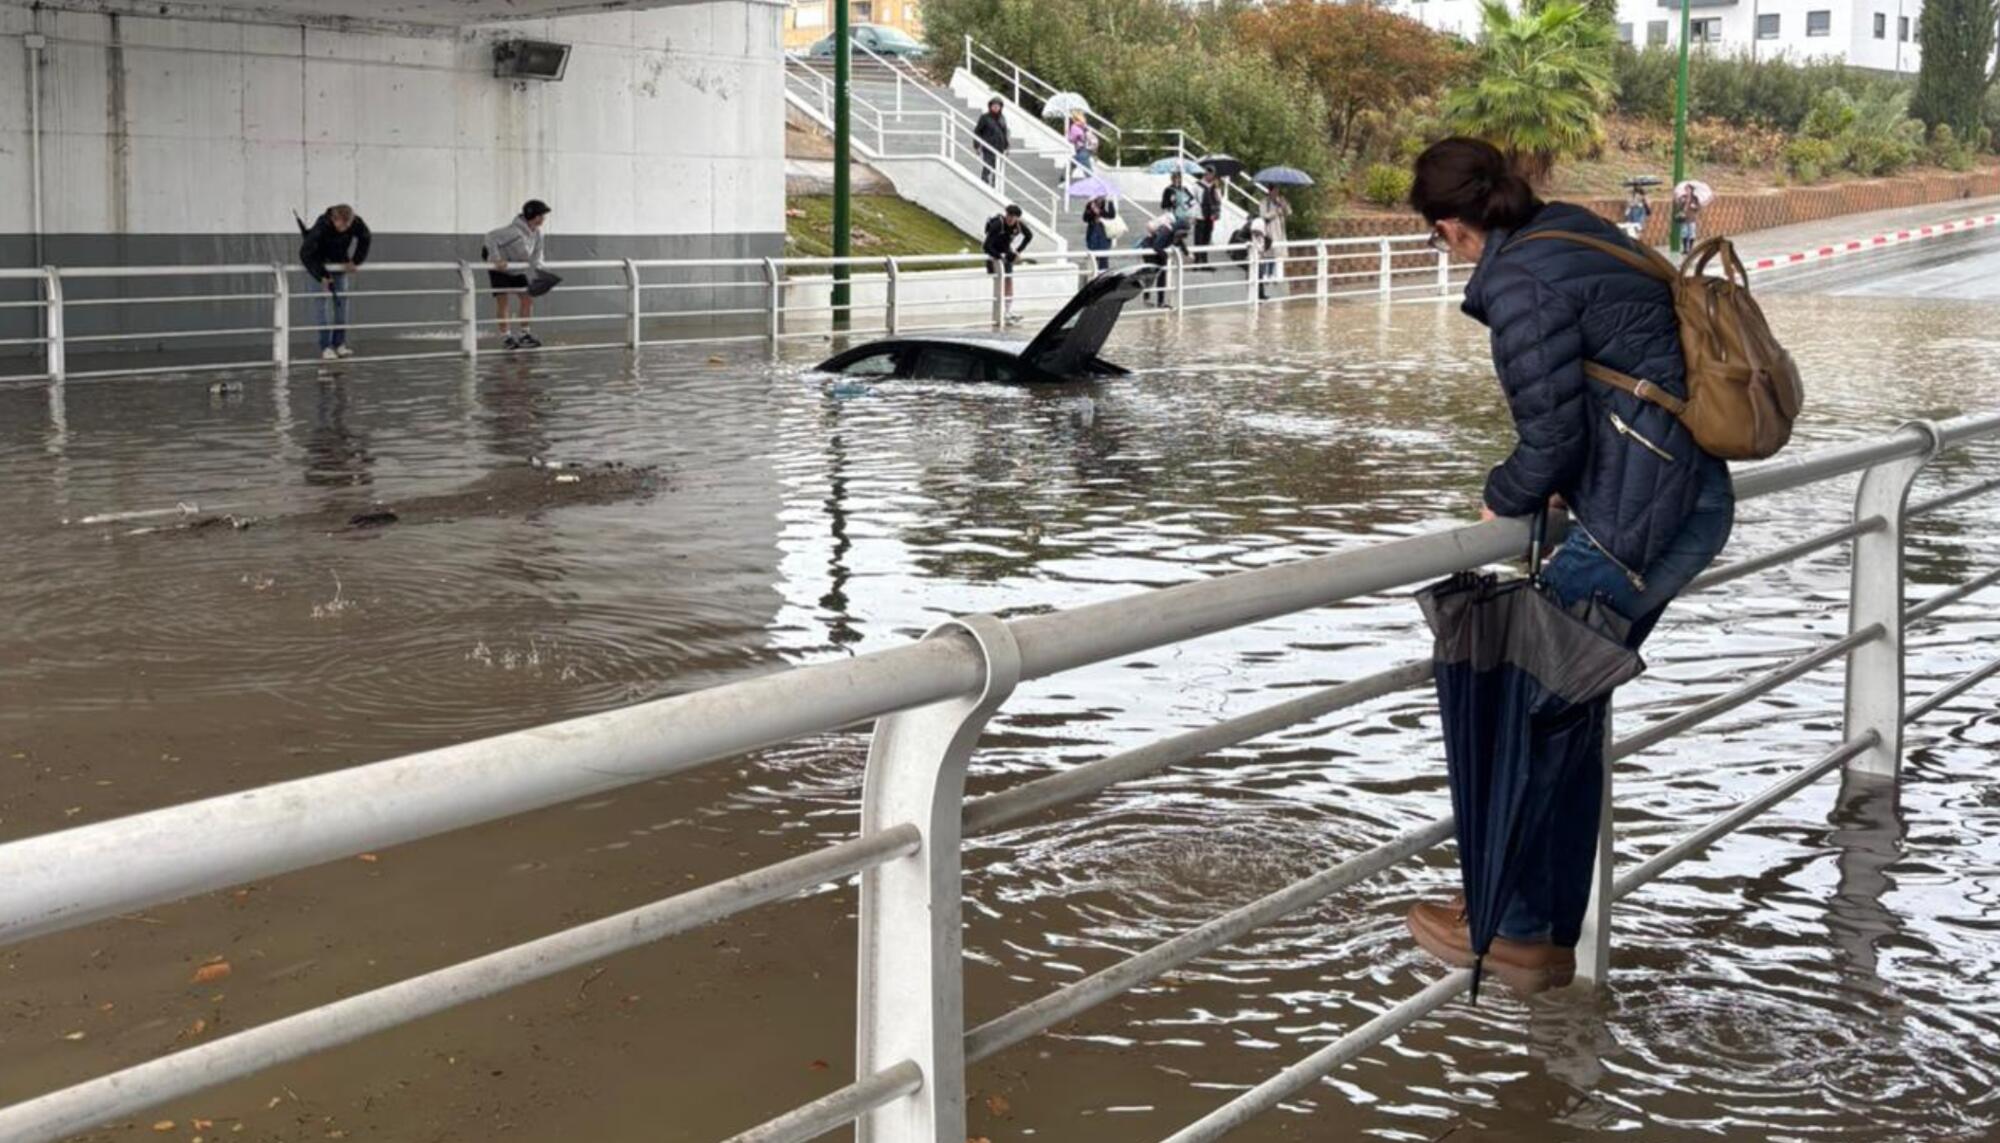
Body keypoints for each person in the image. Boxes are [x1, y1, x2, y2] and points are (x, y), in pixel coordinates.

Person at [1403, 137, 1735, 994]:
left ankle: (1513, 927)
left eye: (1438, 236)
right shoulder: (1567, 231)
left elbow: (1551, 433)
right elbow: (1609, 379)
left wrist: (1504, 496)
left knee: (1523, 708)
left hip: (1635, 519)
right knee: (1567, 717)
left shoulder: (1519, 280)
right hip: (1680, 495)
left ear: (1451, 226)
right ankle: (1546, 928)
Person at [298, 204, 371, 360]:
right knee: (321, 306)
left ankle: (339, 344)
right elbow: (305, 254)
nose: (345, 229)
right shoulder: (321, 225)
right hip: (318, 264)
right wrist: (321, 275)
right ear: (334, 219)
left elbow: (366, 237)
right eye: (342, 225)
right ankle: (325, 347)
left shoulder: (355, 222)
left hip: (339, 264)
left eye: (348, 226)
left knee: (341, 304)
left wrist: (356, 260)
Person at [485, 199, 551, 351]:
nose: (543, 218)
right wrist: (496, 259)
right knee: (503, 302)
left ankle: (524, 334)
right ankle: (506, 337)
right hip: (500, 269)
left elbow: (537, 254)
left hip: (516, 269)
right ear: (533, 216)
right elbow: (490, 237)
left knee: (527, 299)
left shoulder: (537, 233)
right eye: (541, 215)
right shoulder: (514, 231)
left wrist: (538, 269)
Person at [983, 204, 1033, 325]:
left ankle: (1007, 311)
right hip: (993, 252)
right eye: (1009, 215)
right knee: (999, 281)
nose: (1010, 219)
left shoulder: (1018, 225)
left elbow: (1029, 236)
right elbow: (986, 246)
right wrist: (999, 257)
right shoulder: (998, 225)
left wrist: (1018, 251)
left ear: (1017, 218)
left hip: (1006, 251)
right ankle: (999, 313)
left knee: (1009, 280)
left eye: (1013, 217)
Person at [1138, 213, 1177, 307]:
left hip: (1153, 249)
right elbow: (1157, 245)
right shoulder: (1167, 228)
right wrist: (1165, 255)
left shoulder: (1166, 227)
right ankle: (1155, 300)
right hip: (1153, 251)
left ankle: (1152, 299)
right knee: (1153, 275)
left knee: (1156, 276)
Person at [974, 97, 1010, 188]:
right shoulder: (984, 118)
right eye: (994, 105)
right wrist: (977, 146)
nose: (996, 107)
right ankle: (984, 184)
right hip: (988, 147)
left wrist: (1007, 147)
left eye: (998, 106)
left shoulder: (1002, 118)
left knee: (997, 169)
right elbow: (977, 132)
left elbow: (1004, 133)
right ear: (990, 106)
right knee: (987, 167)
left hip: (1000, 147)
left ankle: (995, 186)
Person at [1261, 187, 1290, 290]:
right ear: (1270, 191)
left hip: (1280, 232)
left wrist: (1284, 206)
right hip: (1269, 231)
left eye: (1277, 191)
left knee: (1277, 254)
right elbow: (1264, 216)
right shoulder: (1265, 202)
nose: (1276, 193)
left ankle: (1274, 274)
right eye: (1274, 191)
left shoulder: (1280, 201)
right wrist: (1276, 211)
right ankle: (1265, 274)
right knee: (1268, 253)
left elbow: (1288, 213)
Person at [1193, 171, 1222, 265]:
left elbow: (1219, 199)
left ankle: (1205, 260)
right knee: (1198, 239)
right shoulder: (1197, 185)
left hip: (1210, 216)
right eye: (1210, 174)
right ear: (1205, 174)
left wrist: (1217, 188)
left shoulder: (1214, 186)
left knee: (1207, 238)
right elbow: (1193, 200)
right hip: (1200, 215)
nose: (1211, 176)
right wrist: (1193, 215)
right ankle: (1197, 260)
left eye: (1213, 174)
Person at [1082, 195, 1117, 273]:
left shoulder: (1107, 204)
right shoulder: (1090, 204)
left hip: (1104, 233)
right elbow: (1085, 218)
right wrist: (1091, 211)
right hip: (1093, 233)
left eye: (1102, 196)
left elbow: (1112, 216)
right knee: (1093, 257)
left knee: (1104, 257)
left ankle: (1103, 275)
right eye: (1099, 197)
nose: (1100, 198)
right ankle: (1093, 274)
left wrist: (1100, 211)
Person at [1066, 110, 1097, 176]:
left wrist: (1067, 134)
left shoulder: (1074, 127)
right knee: (1072, 163)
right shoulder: (1085, 127)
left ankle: (1063, 179)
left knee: (1088, 172)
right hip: (1087, 150)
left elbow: (1072, 139)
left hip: (1082, 150)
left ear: (1074, 119)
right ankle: (1063, 178)